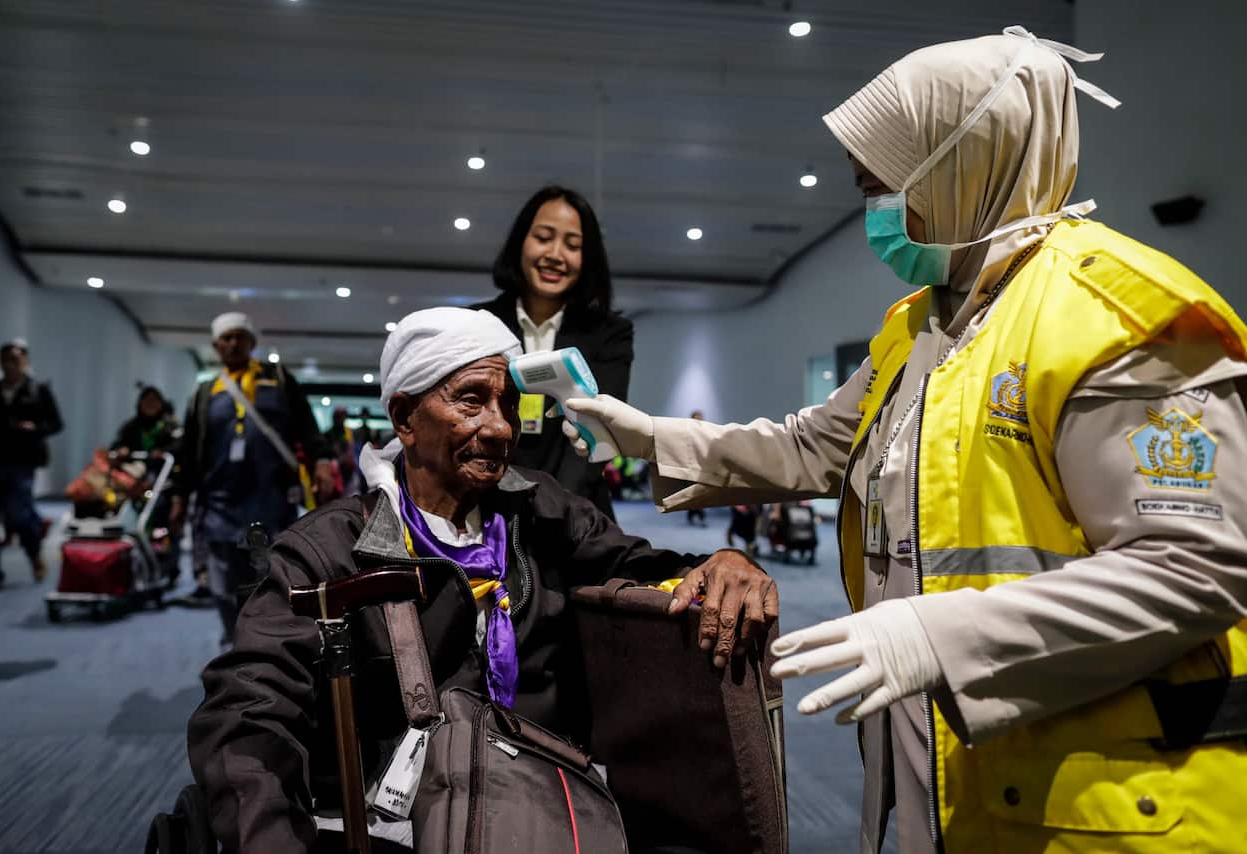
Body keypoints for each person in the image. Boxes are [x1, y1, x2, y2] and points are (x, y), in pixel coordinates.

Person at [562, 27, 1247, 854]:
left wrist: (935, 635)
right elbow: (816, 446)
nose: (874, 214)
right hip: (962, 770)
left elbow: (1195, 569)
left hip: (1110, 800)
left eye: (883, 187)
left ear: (963, 164)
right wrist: (650, 436)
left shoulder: (1113, 321)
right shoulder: (921, 326)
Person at [187, 307, 777, 854]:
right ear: (403, 417)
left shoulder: (540, 508)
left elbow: (639, 566)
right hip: (397, 825)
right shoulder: (330, 550)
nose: (499, 428)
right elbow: (248, 710)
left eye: (508, 403)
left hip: (544, 805)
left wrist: (719, 563)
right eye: (471, 400)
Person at [171, 313, 338, 642]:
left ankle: (264, 640)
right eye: (227, 339)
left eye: (239, 337)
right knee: (221, 577)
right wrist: (178, 497)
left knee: (271, 572)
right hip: (219, 501)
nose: (233, 344)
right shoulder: (205, 393)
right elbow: (189, 452)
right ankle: (233, 635)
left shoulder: (277, 379)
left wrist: (321, 460)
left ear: (252, 342)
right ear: (216, 346)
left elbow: (307, 427)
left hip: (270, 498)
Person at [472, 185, 633, 519]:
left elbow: (597, 431)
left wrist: (554, 510)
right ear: (521, 242)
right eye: (544, 237)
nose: (556, 254)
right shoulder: (478, 323)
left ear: (586, 258)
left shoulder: (610, 334)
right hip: (485, 507)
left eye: (572, 245)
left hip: (575, 513)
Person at [0, 340, 62, 592]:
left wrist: (35, 428)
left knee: (17, 514)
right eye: (6, 359)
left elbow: (55, 424)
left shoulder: (38, 390)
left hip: (22, 461)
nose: (10, 364)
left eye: (16, 359)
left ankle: (34, 554)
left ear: (25, 362)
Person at [111, 385, 178, 457]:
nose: (150, 404)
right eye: (147, 400)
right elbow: (117, 444)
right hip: (134, 465)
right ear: (140, 403)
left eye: (154, 401)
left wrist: (163, 451)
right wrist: (121, 449)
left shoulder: (170, 425)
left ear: (161, 404)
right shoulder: (131, 426)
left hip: (162, 465)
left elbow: (179, 444)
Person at [686, 410, 707, 527]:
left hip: (702, 466)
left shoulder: (705, 432)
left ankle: (699, 515)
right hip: (691, 465)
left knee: (700, 493)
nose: (699, 420)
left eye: (700, 418)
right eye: (696, 418)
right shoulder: (688, 433)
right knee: (693, 493)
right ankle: (694, 514)